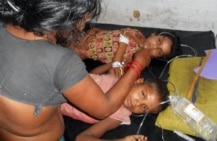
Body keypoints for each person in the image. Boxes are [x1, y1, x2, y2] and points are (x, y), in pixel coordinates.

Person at [0, 0, 151, 141]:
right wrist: (138, 64)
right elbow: (104, 109)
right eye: (84, 19)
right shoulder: (62, 61)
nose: (83, 26)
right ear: (63, 16)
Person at [60, 74, 170, 141]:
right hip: (60, 79)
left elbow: (82, 139)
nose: (137, 103)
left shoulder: (119, 115)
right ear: (138, 81)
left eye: (144, 107)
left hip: (53, 104)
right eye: (142, 94)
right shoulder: (117, 79)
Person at [56, 27, 180, 77]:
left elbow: (114, 71)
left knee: (54, 55)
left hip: (82, 52)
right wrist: (93, 31)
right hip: (85, 35)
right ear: (154, 34)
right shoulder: (135, 32)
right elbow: (111, 33)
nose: (153, 47)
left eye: (158, 51)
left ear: (156, 57)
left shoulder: (136, 58)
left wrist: (116, 64)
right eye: (158, 41)